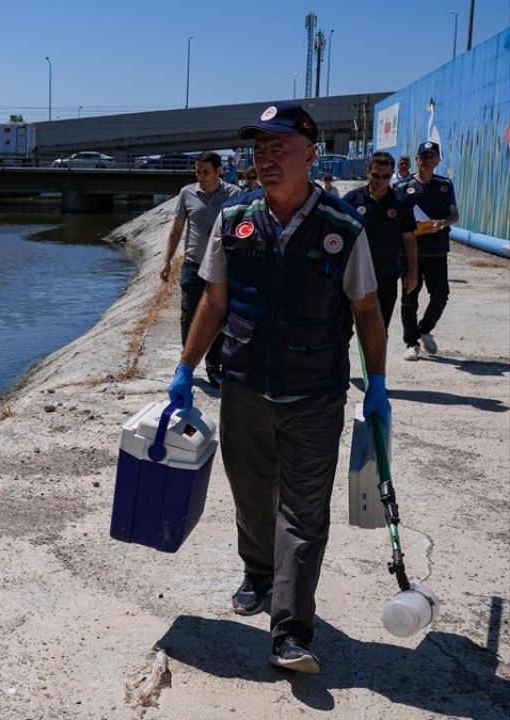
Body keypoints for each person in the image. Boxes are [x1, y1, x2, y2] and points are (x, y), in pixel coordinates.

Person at [167, 101, 390, 674]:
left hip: (315, 394)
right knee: (249, 493)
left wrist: (379, 385)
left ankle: (290, 629)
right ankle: (259, 573)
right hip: (243, 386)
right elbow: (214, 301)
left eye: (278, 149)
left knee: (304, 511)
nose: (265, 160)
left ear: (311, 156)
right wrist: (186, 367)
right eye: (259, 150)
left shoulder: (343, 228)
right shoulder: (234, 218)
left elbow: (366, 312)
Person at [159, 150, 245, 388]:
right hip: (193, 264)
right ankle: (187, 364)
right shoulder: (187, 193)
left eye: (206, 172)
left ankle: (213, 367)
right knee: (188, 315)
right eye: (197, 172)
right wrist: (166, 261)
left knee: (220, 317)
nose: (201, 177)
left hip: (222, 267)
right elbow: (177, 230)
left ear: (219, 171)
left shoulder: (235, 194)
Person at [396, 141, 460, 360]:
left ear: (438, 160)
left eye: (431, 156)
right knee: (409, 299)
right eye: (423, 156)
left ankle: (424, 329)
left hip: (436, 251)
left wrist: (442, 223)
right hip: (409, 252)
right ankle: (411, 343)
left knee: (441, 296)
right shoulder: (403, 187)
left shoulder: (445, 185)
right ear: (416, 159)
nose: (426, 160)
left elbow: (454, 214)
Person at [343, 152, 419, 331]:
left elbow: (409, 239)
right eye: (376, 175)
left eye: (385, 176)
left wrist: (412, 273)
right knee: (343, 329)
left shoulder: (400, 202)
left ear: (391, 175)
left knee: (379, 331)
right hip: (354, 275)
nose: (380, 180)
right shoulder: (351, 200)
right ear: (367, 172)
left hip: (385, 276)